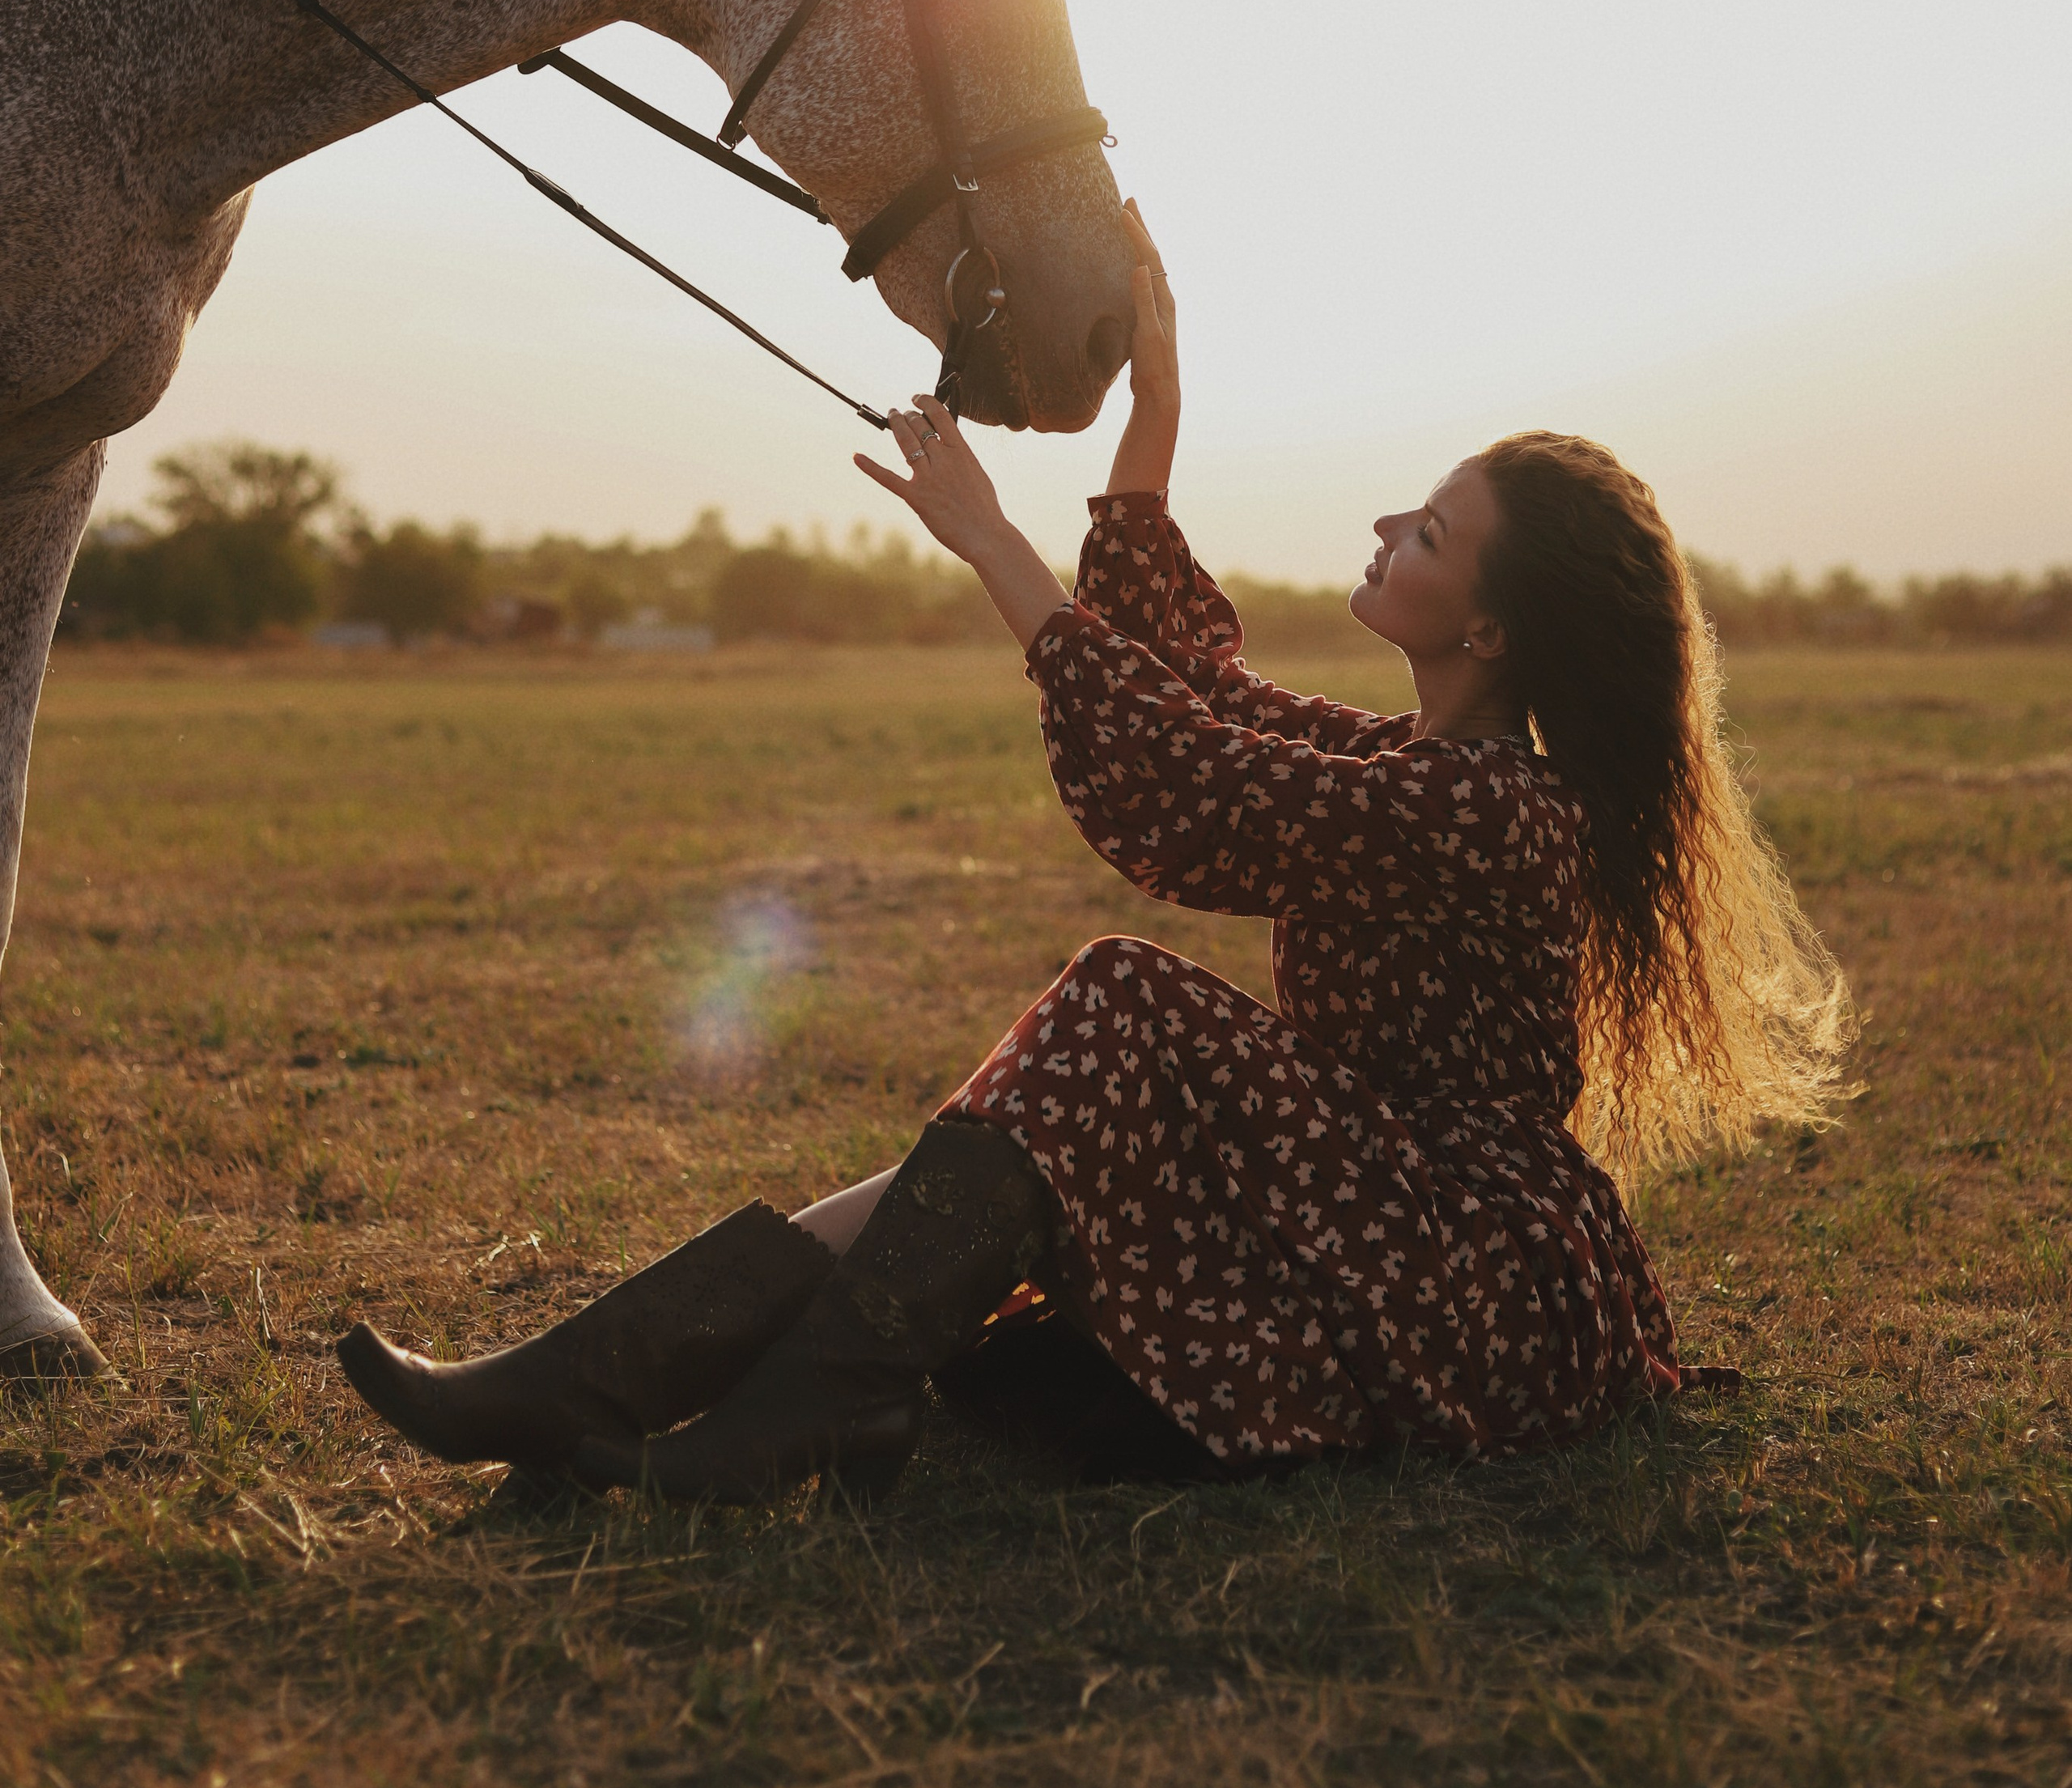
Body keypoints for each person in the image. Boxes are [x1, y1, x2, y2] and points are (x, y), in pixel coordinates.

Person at [338, 202, 1852, 1497]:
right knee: (1032, 1281)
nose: (1392, 521)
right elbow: (1195, 688)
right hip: (1351, 1215)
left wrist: (993, 544)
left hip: (1461, 1269)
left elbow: (1187, 775)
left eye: (1434, 535)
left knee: (1126, 1002)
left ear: (1492, 631)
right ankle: (595, 1384)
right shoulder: (1410, 765)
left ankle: (714, 1398)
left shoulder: (1491, 812)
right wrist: (1153, 422)